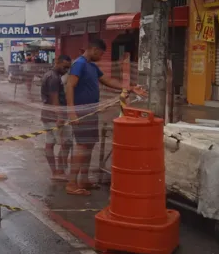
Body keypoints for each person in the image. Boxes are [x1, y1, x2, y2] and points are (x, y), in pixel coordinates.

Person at [65, 39, 146, 196]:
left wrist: (129, 88)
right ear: (94, 50)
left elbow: (107, 80)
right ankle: (71, 183)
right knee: (81, 147)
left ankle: (83, 179)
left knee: (89, 145)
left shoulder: (92, 67)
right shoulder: (79, 64)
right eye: (101, 54)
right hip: (81, 112)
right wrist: (72, 111)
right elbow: (70, 86)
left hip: (91, 112)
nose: (102, 57)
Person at [41, 55, 73, 181]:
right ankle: (59, 171)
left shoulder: (49, 74)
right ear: (57, 62)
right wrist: (60, 116)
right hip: (54, 116)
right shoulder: (54, 78)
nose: (66, 70)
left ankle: (55, 171)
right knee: (66, 142)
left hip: (46, 115)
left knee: (50, 143)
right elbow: (55, 99)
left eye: (68, 68)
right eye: (64, 67)